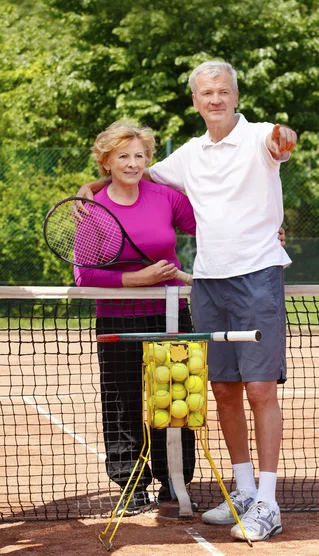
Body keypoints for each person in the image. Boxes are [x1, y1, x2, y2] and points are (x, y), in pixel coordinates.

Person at [77, 60, 296, 542]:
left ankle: (268, 501)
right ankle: (241, 490)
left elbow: (282, 141)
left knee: (261, 391)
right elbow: (132, 175)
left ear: (235, 95)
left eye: (223, 91)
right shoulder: (188, 156)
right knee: (222, 391)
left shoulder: (260, 137)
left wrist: (284, 139)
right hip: (209, 284)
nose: (215, 99)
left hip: (257, 276)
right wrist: (91, 189)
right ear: (195, 102)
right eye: (206, 93)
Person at [74, 120, 197, 515]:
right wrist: (136, 279)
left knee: (176, 399)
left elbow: (211, 228)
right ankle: (131, 484)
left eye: (139, 155)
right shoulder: (90, 207)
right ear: (105, 161)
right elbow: (84, 274)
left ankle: (174, 481)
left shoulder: (166, 197)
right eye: (123, 156)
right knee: (122, 402)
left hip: (171, 314)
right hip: (116, 318)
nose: (132, 163)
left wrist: (264, 231)